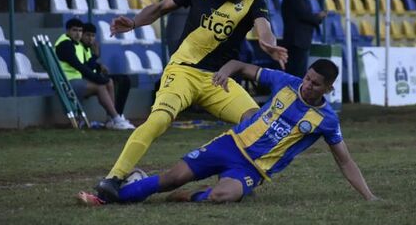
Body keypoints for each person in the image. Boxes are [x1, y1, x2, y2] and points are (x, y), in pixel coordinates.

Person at [93, 0, 289, 202]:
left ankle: (234, 178)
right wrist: (134, 22)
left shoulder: (252, 1)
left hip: (218, 79)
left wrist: (268, 43)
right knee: (159, 120)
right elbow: (162, 7)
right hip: (182, 72)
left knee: (255, 121)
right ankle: (114, 178)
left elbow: (264, 27)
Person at [77, 59, 378, 205]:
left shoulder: (326, 119)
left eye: (316, 84)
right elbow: (241, 65)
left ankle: (190, 197)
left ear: (329, 88)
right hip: (230, 144)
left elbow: (345, 161)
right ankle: (109, 197)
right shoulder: (286, 82)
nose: (308, 85)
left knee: (223, 196)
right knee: (170, 178)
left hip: (253, 168)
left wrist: (369, 196)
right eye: (308, 78)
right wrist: (225, 72)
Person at [54, 18, 133, 130]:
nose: (78, 34)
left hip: (76, 80)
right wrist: (99, 78)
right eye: (74, 30)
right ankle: (116, 119)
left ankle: (112, 119)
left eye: (80, 31)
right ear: (67, 31)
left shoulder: (75, 44)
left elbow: (85, 65)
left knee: (109, 81)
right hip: (67, 82)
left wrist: (97, 66)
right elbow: (80, 67)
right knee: (101, 87)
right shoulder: (65, 44)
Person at [81, 22, 136, 129]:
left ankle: (117, 115)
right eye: (87, 35)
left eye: (92, 36)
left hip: (94, 77)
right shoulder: (79, 47)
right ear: (82, 35)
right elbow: (84, 66)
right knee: (110, 81)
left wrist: (98, 65)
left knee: (124, 79)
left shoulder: (89, 48)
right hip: (87, 80)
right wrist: (96, 57)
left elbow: (90, 64)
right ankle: (114, 118)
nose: (90, 38)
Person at [281, 0, 327, 78]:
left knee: (297, 70)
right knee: (297, 71)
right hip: (297, 41)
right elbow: (304, 15)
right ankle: (294, 92)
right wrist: (318, 17)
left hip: (298, 40)